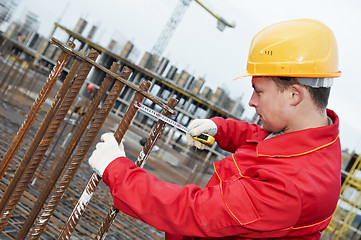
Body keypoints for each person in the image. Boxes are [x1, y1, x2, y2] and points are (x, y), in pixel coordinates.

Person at [89, 19, 341, 239]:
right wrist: (219, 128)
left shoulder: (290, 189)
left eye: (259, 91)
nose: (251, 102)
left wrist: (117, 169)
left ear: (294, 95)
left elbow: (193, 211)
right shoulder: (314, 139)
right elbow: (266, 142)